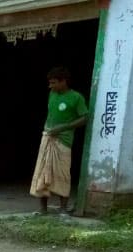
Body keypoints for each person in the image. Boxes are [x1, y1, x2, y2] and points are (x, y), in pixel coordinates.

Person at [30, 66, 88, 215]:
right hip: (47, 138)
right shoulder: (52, 94)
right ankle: (43, 209)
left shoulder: (76, 97)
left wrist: (63, 127)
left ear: (64, 81)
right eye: (50, 83)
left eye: (54, 82)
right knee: (43, 172)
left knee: (62, 174)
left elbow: (84, 118)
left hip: (64, 141)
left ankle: (63, 210)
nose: (51, 86)